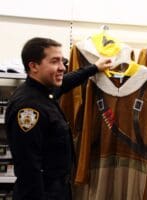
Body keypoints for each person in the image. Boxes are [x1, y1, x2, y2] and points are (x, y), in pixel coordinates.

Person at [5, 37, 112, 200]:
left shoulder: (44, 90)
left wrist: (94, 68)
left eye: (63, 61)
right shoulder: (29, 108)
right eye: (55, 61)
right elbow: (30, 170)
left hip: (58, 189)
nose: (62, 67)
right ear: (33, 66)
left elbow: (67, 82)